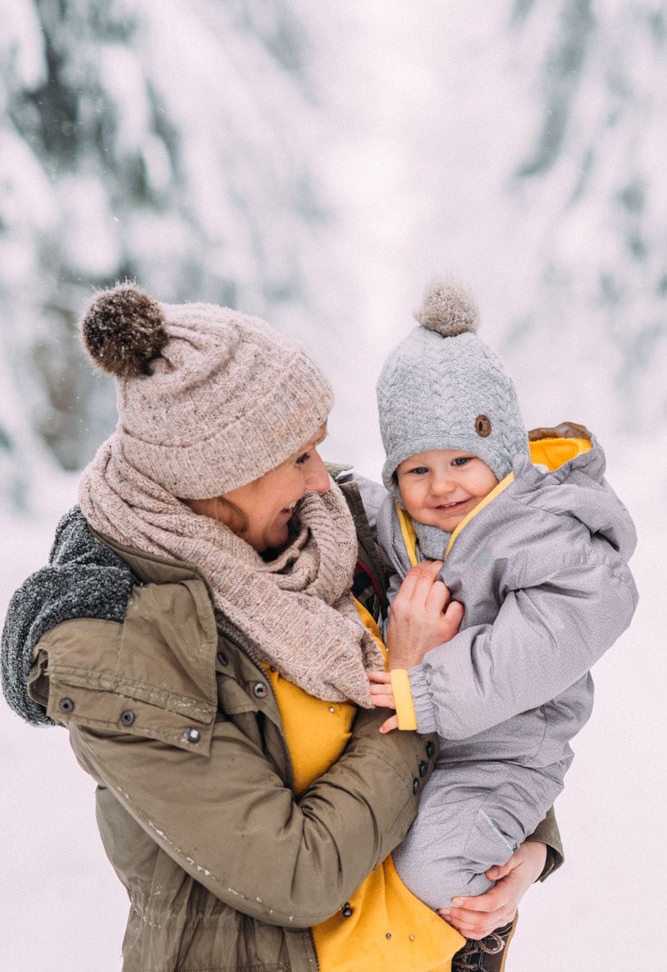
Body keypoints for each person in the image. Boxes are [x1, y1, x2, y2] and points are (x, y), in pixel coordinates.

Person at [1, 281, 560, 972]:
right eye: (297, 457)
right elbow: (295, 874)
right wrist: (410, 689)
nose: (323, 482)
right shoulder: (118, 644)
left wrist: (527, 841)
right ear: (213, 478)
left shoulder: (342, 537)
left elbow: (494, 681)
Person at [361, 280, 639, 970]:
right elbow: (340, 498)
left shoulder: (541, 528)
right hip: (429, 742)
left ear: (504, 449)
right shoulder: (399, 525)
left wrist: (424, 690)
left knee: (433, 870)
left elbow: (550, 633)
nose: (442, 485)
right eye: (416, 468)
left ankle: (474, 945)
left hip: (508, 751)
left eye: (462, 459)